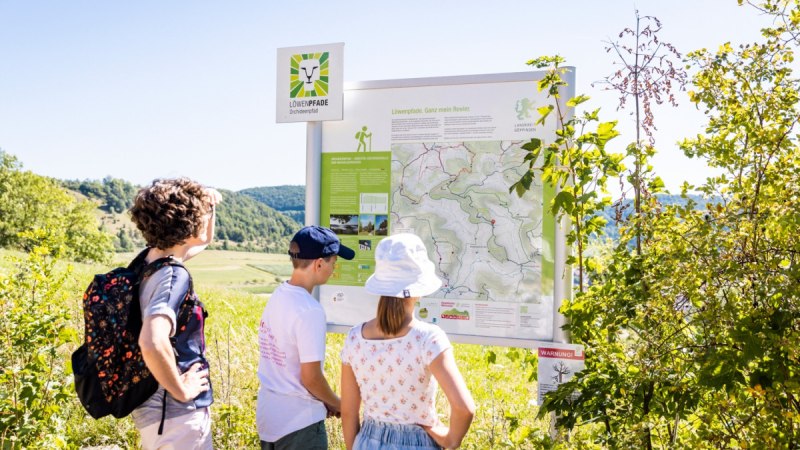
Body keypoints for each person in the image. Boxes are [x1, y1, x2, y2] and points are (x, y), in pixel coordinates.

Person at [340, 233, 475, 450]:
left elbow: (348, 411)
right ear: (419, 289)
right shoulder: (427, 339)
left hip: (367, 441)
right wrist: (451, 440)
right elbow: (464, 408)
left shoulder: (355, 338)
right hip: (417, 443)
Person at [128, 177, 222, 450]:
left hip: (155, 412)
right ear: (189, 223)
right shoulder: (173, 276)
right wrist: (181, 389)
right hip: (176, 416)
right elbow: (152, 340)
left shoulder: (150, 260)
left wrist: (210, 205)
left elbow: (204, 240)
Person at [257, 225, 356, 449]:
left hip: (270, 417)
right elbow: (311, 378)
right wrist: (338, 403)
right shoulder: (309, 310)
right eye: (333, 262)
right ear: (319, 263)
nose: (334, 268)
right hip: (299, 422)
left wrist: (325, 399)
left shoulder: (279, 294)